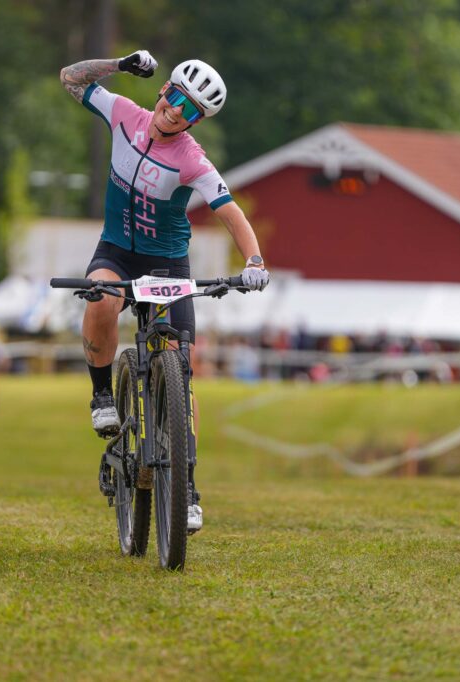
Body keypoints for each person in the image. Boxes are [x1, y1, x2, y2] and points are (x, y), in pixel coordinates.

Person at [60, 50, 270, 532]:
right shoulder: (123, 114)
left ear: (195, 121)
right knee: (101, 296)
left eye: (190, 110)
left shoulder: (192, 159)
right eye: (176, 97)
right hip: (116, 251)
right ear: (163, 90)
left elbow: (230, 211)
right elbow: (70, 79)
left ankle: (188, 483)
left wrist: (255, 260)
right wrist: (118, 64)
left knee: (180, 366)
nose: (176, 111)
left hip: (167, 263)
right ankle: (102, 398)